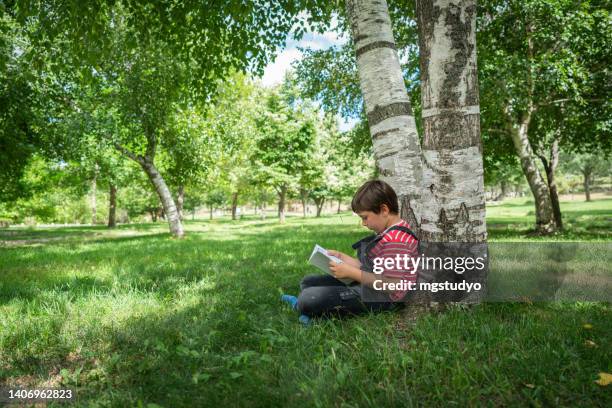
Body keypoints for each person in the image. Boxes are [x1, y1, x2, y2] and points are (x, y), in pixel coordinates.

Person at [281, 180, 419, 324]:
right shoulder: (387, 232)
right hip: (370, 284)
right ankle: (312, 309)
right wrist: (343, 258)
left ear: (384, 210)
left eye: (365, 217)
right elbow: (373, 268)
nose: (364, 223)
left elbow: (392, 285)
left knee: (309, 298)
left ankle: (309, 311)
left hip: (382, 298)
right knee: (308, 282)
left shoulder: (397, 240)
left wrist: (351, 273)